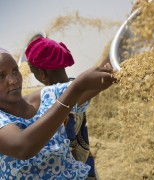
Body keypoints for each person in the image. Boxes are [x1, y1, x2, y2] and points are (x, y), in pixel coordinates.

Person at [0, 47, 116, 179]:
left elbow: (95, 81)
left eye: (15, 71)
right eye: (1, 76)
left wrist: (122, 42)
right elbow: (23, 147)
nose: (13, 80)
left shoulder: (47, 96)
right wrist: (76, 88)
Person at [24, 36, 110, 179]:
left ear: (42, 74)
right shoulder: (75, 86)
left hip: (74, 172)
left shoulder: (63, 95)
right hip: (84, 166)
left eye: (34, 73)